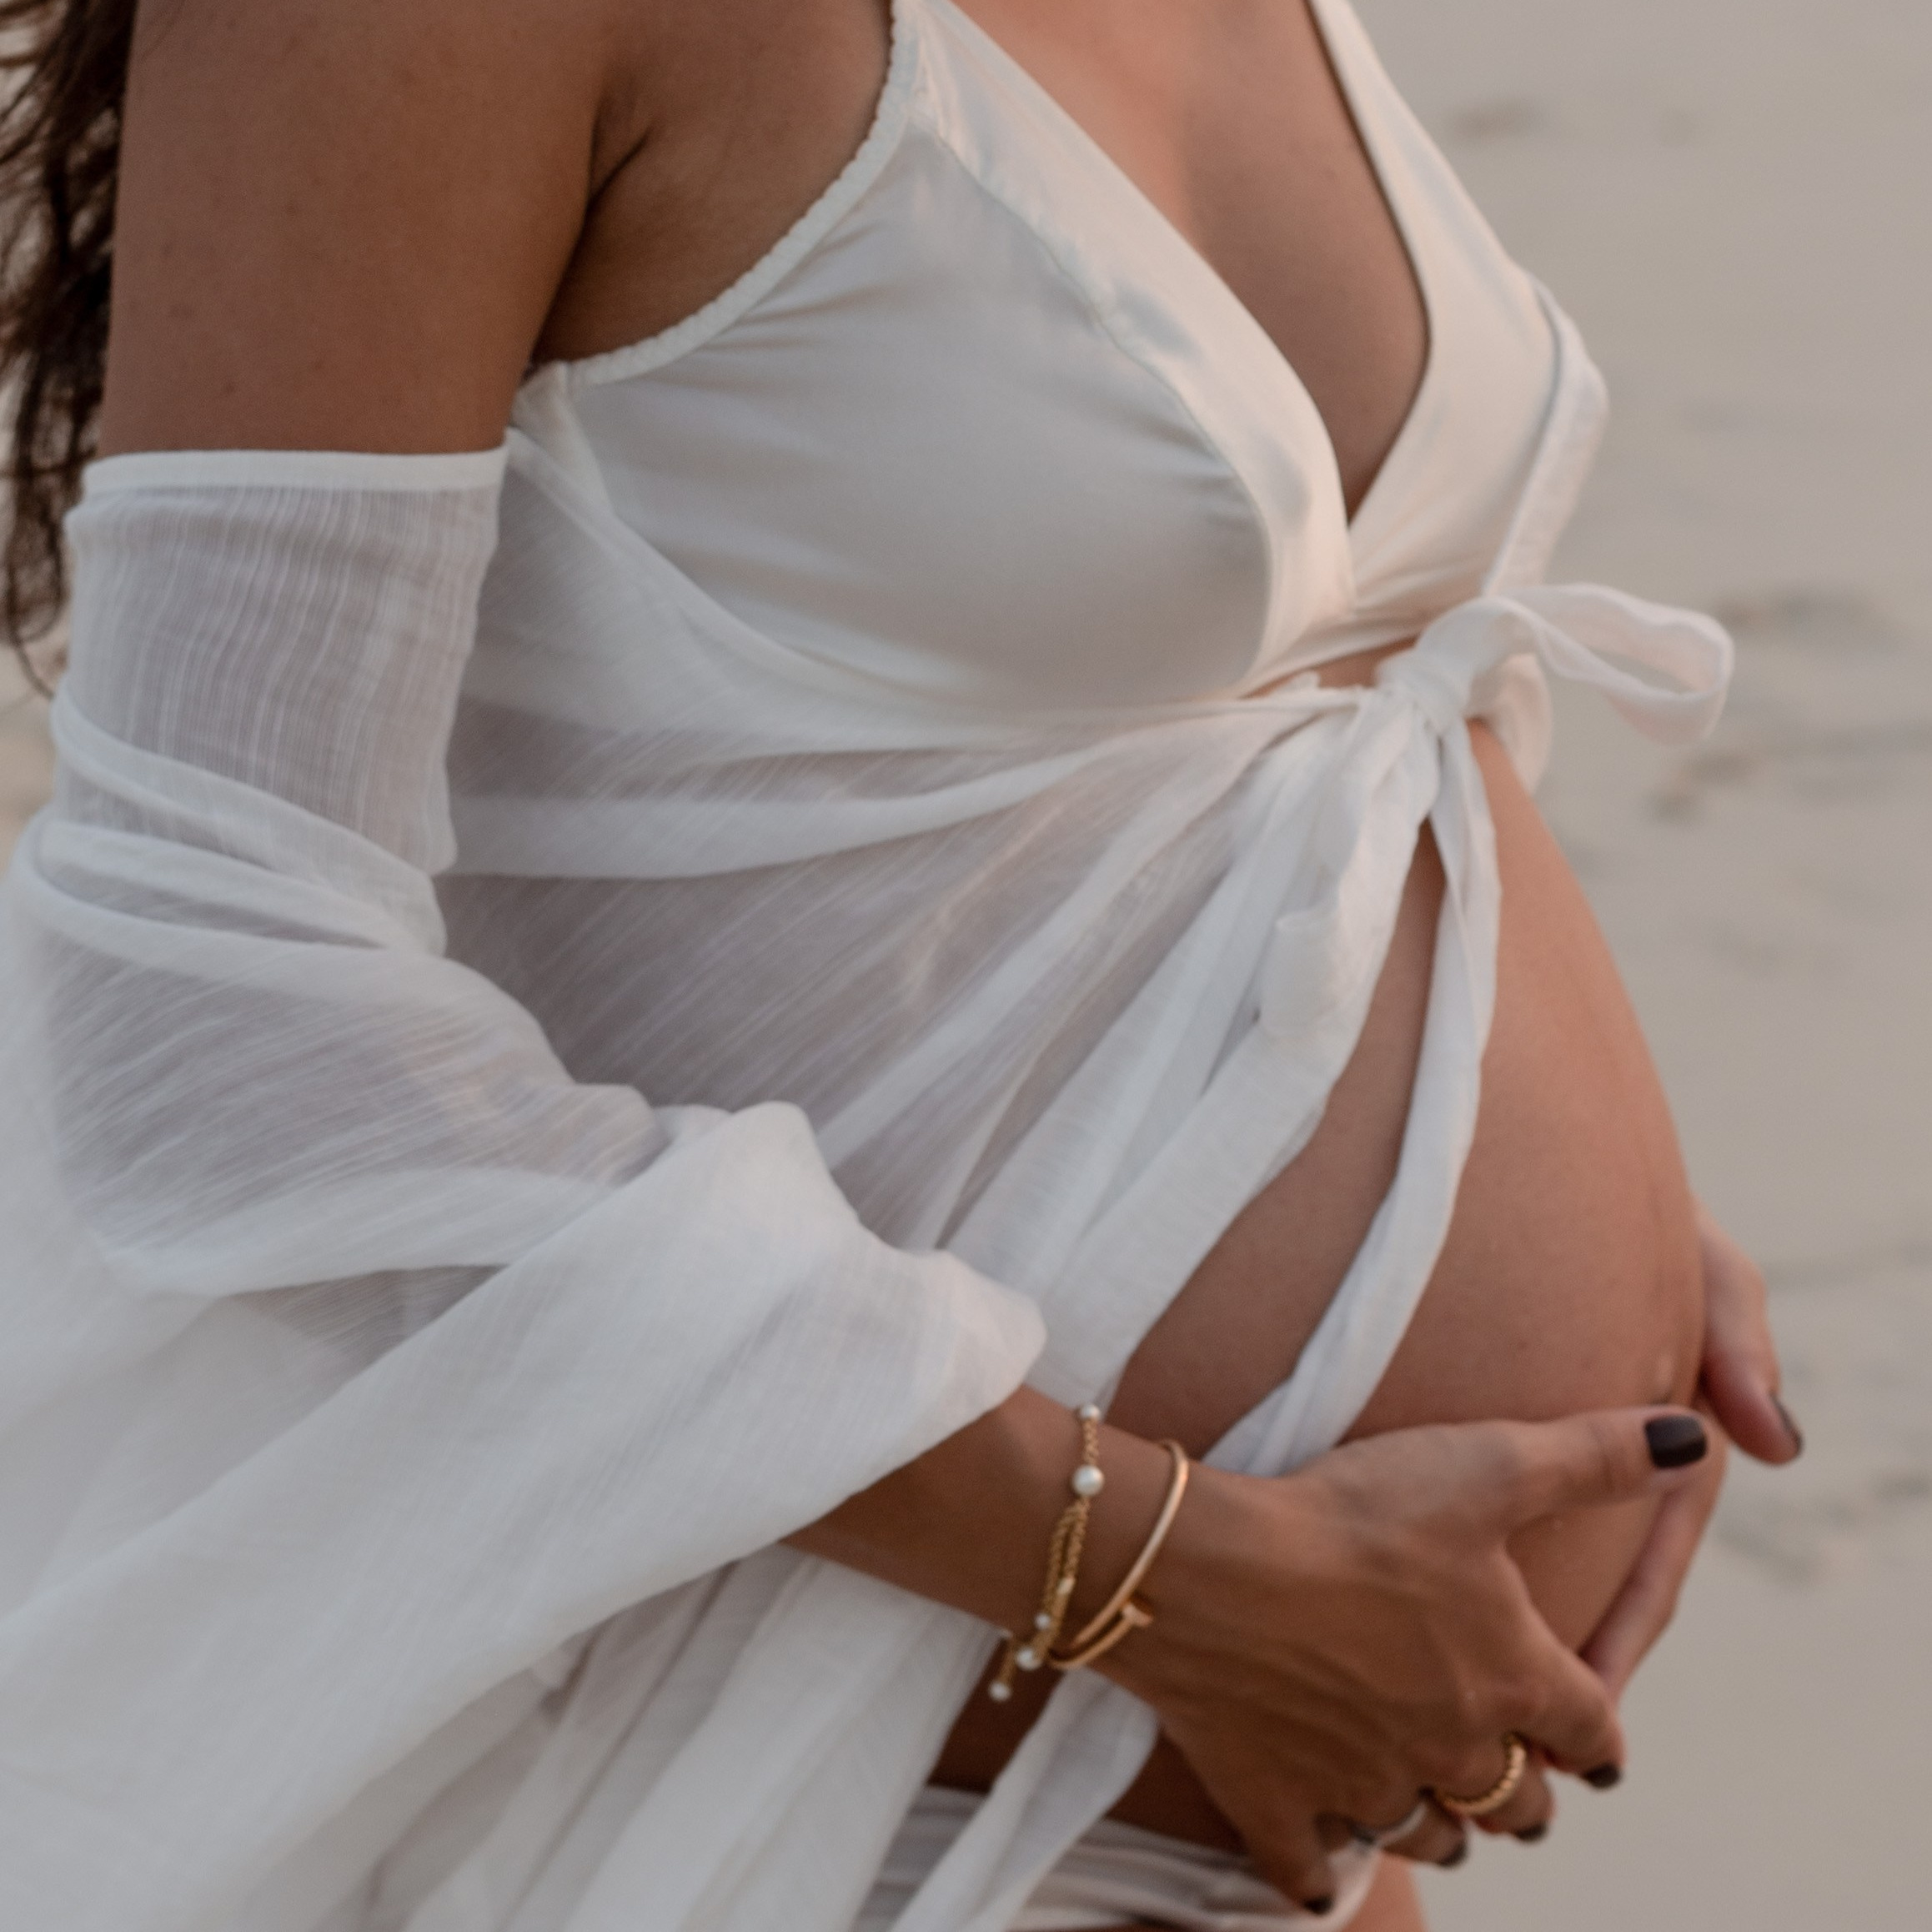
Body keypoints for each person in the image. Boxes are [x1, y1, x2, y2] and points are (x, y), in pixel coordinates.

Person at [0, 1, 1801, 1928]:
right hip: (756, 1770)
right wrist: (1159, 1570)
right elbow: (219, 1015)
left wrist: (1467, 1100)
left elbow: (1215, 709)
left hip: (1237, 1802)